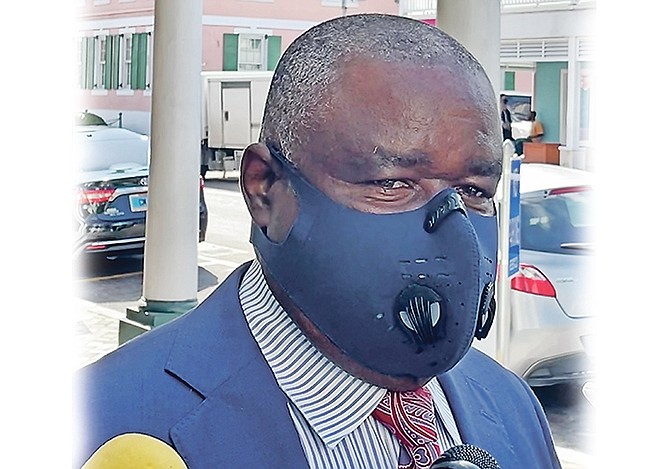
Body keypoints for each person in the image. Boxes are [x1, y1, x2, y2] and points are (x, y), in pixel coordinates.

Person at [75, 14, 561, 469]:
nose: (454, 232)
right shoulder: (93, 423)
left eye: (475, 192)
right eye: (391, 183)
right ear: (265, 189)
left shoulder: (511, 404)